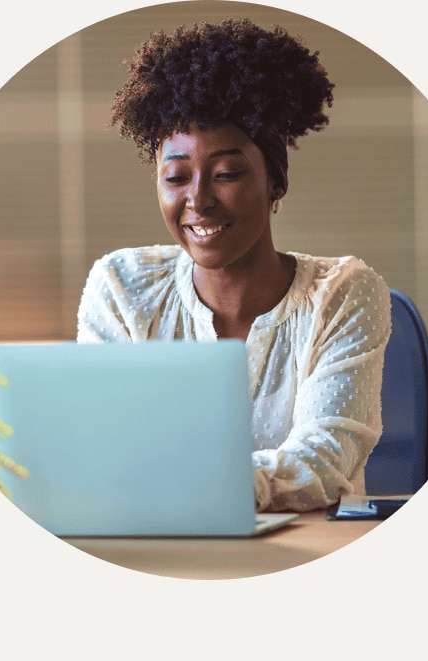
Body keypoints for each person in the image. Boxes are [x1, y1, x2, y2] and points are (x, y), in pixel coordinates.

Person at [76, 18, 391, 512]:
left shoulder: (343, 293)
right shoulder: (122, 287)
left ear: (275, 182)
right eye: (176, 176)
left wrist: (201, 487)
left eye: (227, 173)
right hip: (160, 548)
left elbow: (326, 457)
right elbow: (98, 446)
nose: (198, 200)